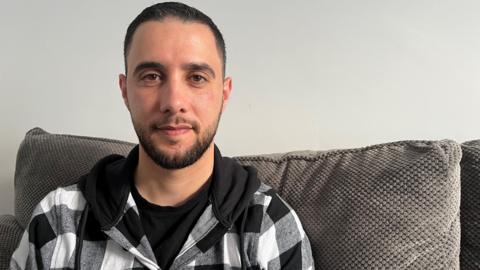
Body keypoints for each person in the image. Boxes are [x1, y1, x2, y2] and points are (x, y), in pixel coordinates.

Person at [10, 2, 314, 269]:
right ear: (125, 90)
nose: (173, 102)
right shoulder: (58, 221)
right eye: (152, 76)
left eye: (196, 78)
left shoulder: (269, 227)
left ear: (224, 94)